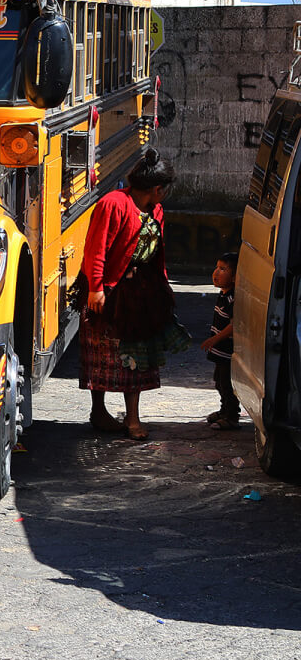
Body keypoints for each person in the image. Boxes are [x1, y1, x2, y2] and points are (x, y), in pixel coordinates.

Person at [79, 149, 189, 441]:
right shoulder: (113, 204)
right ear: (157, 188)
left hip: (142, 293)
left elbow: (156, 254)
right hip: (111, 291)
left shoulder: (156, 210)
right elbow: (96, 248)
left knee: (137, 357)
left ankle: (132, 417)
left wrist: (163, 288)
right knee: (102, 355)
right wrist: (96, 288)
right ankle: (98, 411)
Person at [201, 251, 239, 430]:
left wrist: (215, 339)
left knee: (227, 384)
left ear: (234, 277)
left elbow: (234, 326)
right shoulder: (223, 295)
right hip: (219, 350)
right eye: (216, 267)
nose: (216, 273)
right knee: (219, 381)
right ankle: (223, 411)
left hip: (226, 351)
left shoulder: (233, 298)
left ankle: (231, 417)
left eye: (223, 269)